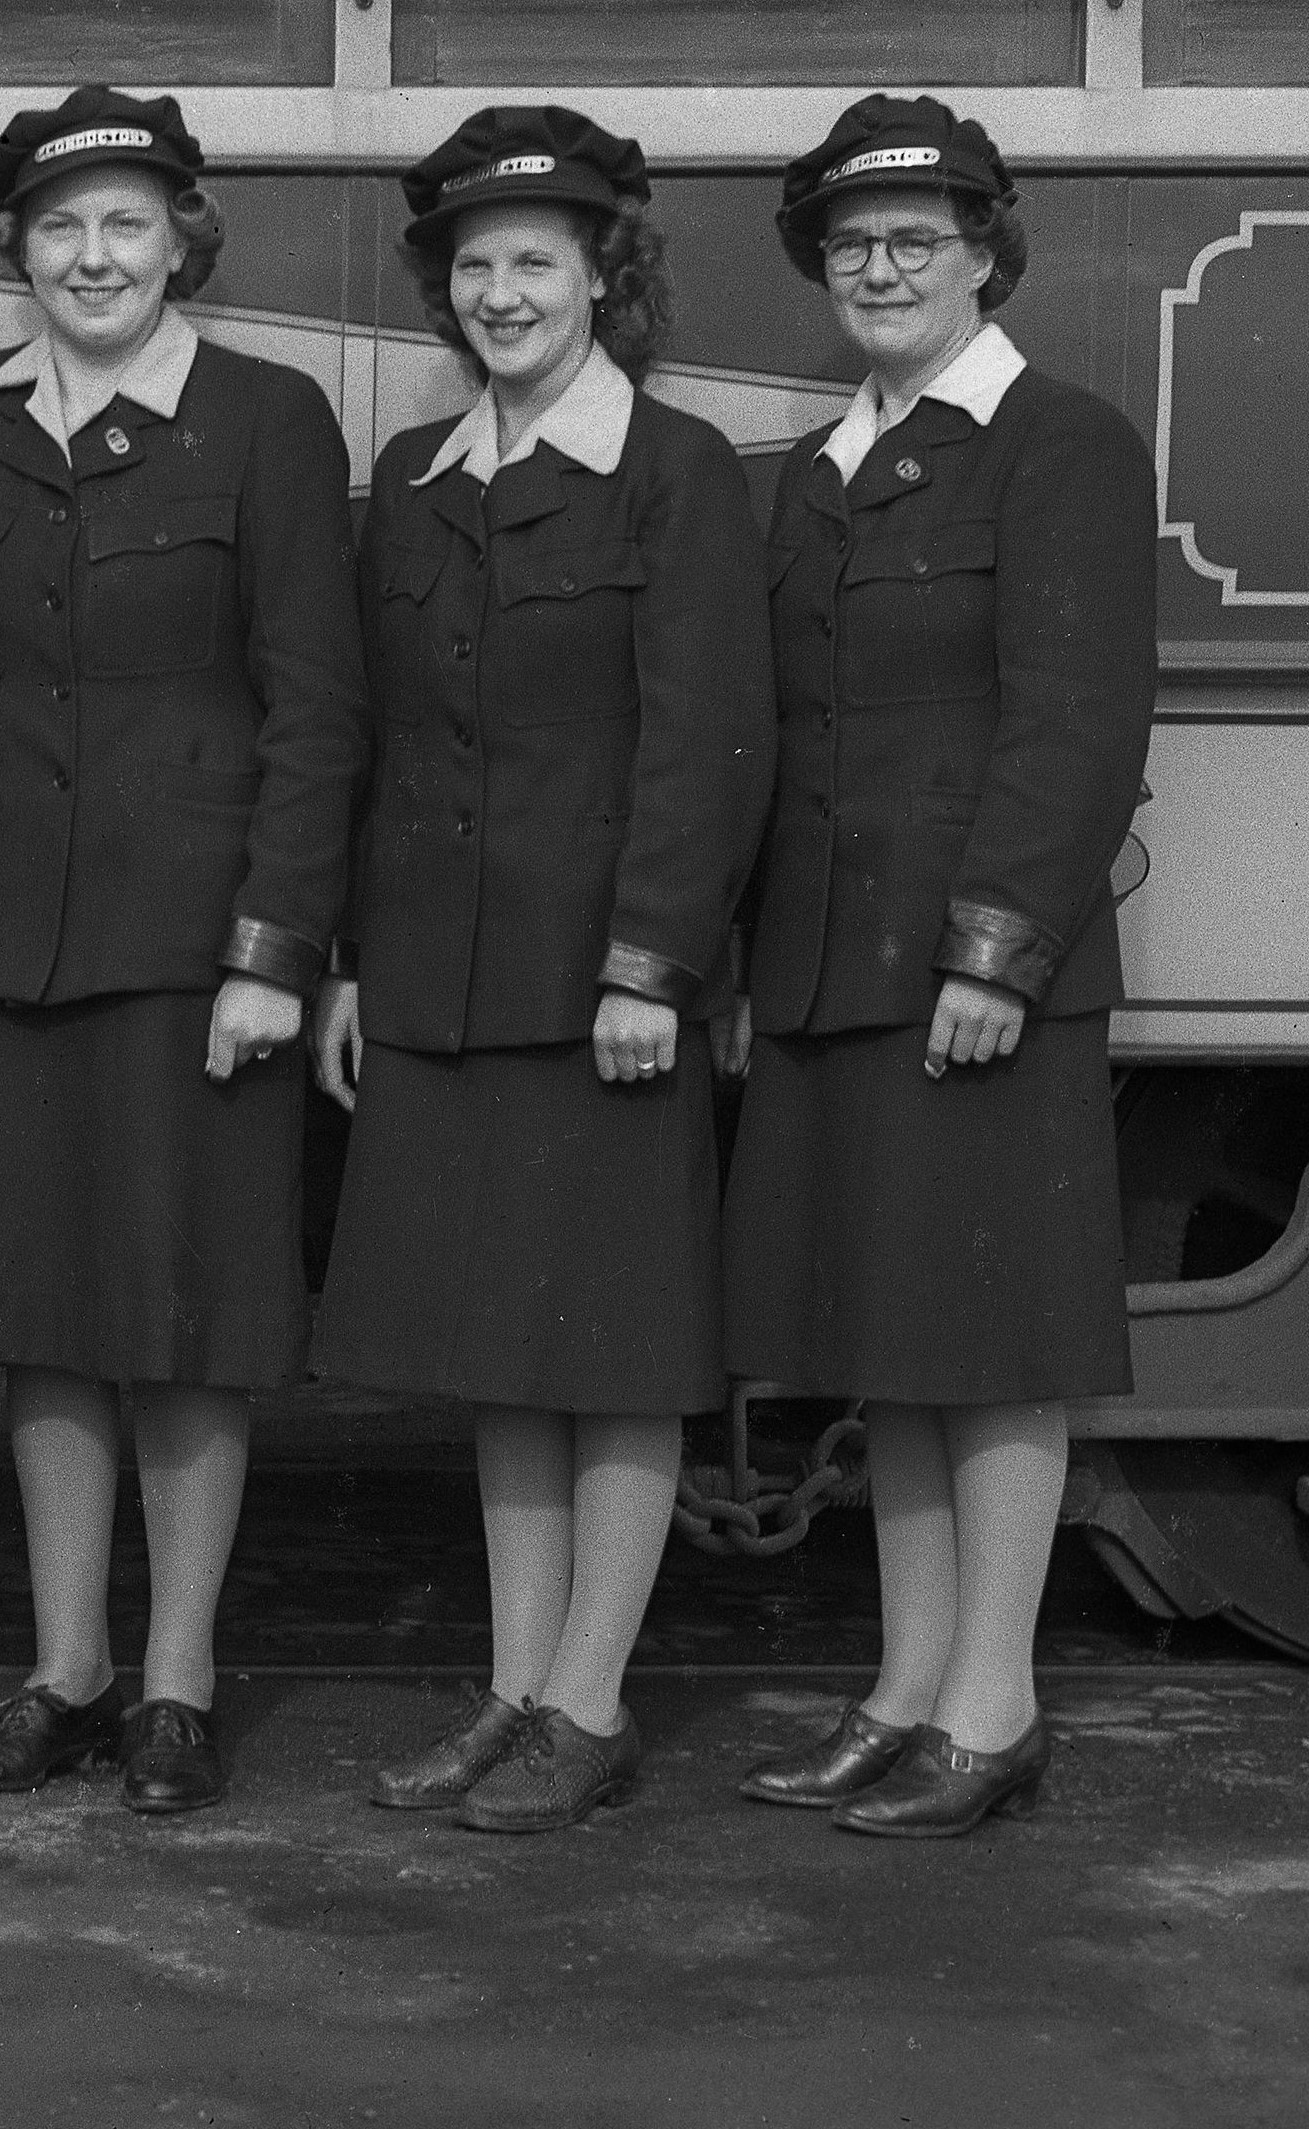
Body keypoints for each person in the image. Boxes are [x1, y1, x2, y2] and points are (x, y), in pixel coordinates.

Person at [0, 90, 365, 1813]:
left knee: (185, 1320)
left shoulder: (269, 418)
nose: (94, 255)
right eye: (62, 224)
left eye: (128, 224)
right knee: (40, 1320)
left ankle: (178, 1683)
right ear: (16, 243)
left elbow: (319, 708)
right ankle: (64, 1666)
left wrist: (274, 945)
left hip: (190, 946)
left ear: (184, 239)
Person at [316, 105, 772, 1835]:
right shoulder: (417, 482)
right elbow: (381, 747)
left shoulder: (678, 470)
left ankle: (590, 1701)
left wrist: (652, 963)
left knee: (613, 1349)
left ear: (604, 277)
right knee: (498, 1351)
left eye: (538, 262)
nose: (503, 292)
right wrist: (355, 963)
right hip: (439, 982)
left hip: (602, 995)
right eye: (476, 266)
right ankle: (515, 1694)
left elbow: (705, 742)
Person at [724, 97, 1156, 1840]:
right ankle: (905, 1687)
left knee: (987, 1344)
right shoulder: (825, 468)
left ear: (988, 251)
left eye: (918, 237)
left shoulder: (1061, 440)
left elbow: (1076, 722)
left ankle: (997, 1703)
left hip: (975, 976)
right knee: (885, 1344)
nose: (883, 267)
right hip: (835, 971)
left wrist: (1001, 946)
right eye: (852, 244)